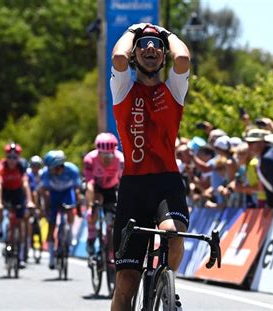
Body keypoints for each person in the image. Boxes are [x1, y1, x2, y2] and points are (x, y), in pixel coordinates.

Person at [109, 22, 190, 310]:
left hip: (167, 182)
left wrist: (166, 34)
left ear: (164, 54)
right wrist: (133, 31)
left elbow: (183, 59)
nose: (151, 48)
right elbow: (118, 57)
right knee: (126, 284)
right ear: (135, 54)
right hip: (133, 188)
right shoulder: (122, 89)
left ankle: (167, 283)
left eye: (157, 46)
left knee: (173, 232)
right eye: (144, 45)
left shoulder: (174, 90)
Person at [0, 142, 35, 267]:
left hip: (18, 193)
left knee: (21, 222)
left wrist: (30, 200)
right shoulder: (1, 166)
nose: (12, 160)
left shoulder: (22, 166)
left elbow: (26, 184)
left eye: (15, 157)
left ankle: (21, 256)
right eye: (9, 157)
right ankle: (1, 230)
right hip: (5, 192)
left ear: (18, 158)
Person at [83, 132, 123, 255]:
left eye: (110, 155)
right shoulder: (90, 159)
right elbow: (90, 183)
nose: (107, 158)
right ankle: (91, 239)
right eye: (104, 154)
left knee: (111, 221)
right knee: (92, 213)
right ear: (98, 151)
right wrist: (90, 206)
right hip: (96, 188)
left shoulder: (120, 159)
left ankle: (107, 246)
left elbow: (123, 183)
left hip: (112, 188)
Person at [40, 150, 81, 269]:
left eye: (50, 168)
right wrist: (45, 208)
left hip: (67, 193)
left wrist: (77, 206)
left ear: (58, 165)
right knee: (51, 225)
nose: (49, 170)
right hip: (53, 194)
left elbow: (77, 190)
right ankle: (52, 256)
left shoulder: (72, 170)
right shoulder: (46, 173)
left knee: (70, 210)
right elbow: (44, 192)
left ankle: (69, 233)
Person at [244, 129, 273, 208]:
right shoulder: (263, 157)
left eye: (252, 143)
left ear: (262, 142)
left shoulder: (268, 159)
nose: (249, 146)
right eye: (248, 143)